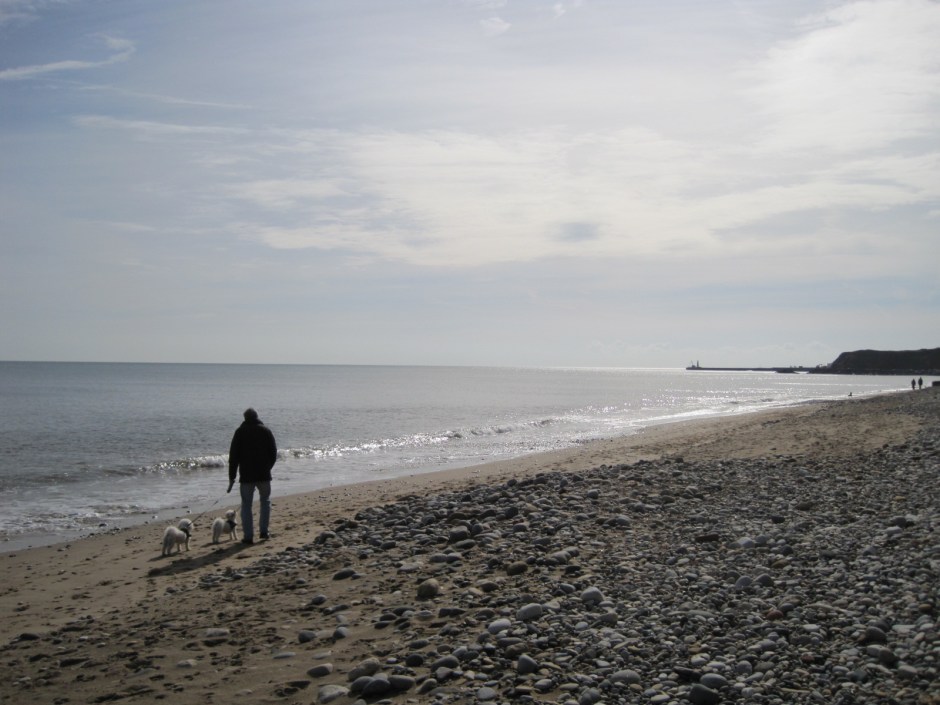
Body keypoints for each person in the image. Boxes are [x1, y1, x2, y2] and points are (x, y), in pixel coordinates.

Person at [228, 408, 277, 544]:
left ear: (245, 418)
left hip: (246, 475)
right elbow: (273, 453)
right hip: (264, 474)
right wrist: (268, 467)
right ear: (256, 417)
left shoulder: (240, 432)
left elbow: (233, 457)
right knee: (265, 501)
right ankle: (264, 531)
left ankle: (248, 536)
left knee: (246, 505)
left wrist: (231, 477)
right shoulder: (266, 431)